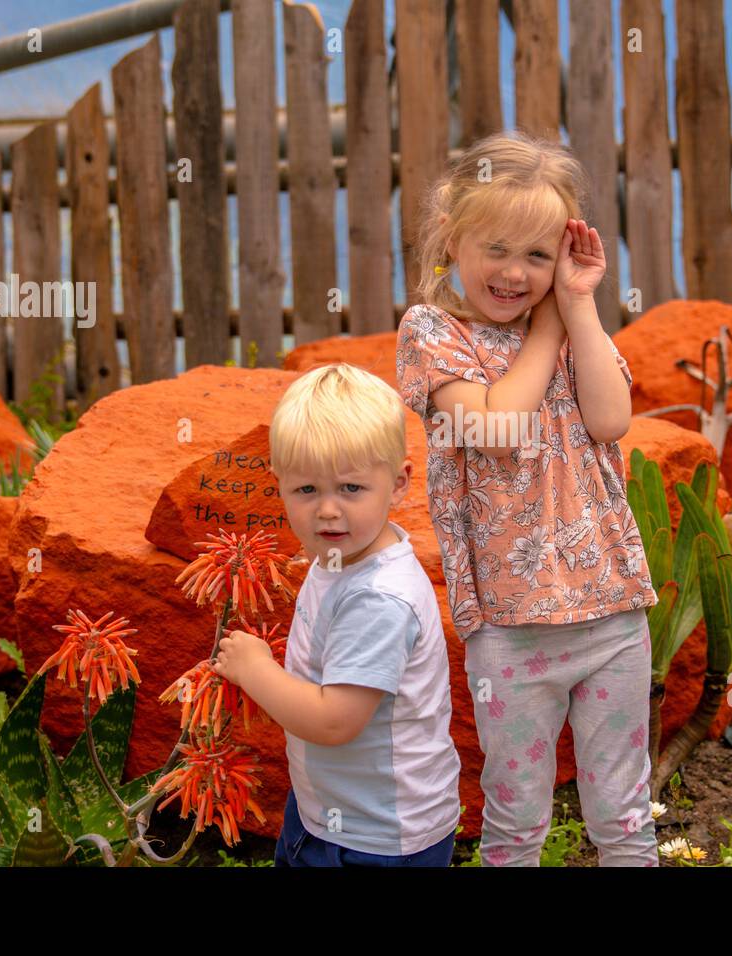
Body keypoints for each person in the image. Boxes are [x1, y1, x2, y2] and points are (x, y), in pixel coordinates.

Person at [395, 129, 660, 866]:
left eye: (538, 256)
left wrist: (576, 308)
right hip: (510, 630)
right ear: (453, 240)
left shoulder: (573, 325)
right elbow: (500, 429)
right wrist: (547, 333)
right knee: (514, 823)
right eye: (498, 249)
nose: (516, 273)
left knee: (625, 815)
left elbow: (611, 420)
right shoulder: (433, 332)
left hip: (611, 611)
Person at [214, 363, 461, 866]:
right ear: (279, 486)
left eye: (350, 489)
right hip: (331, 809)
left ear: (398, 484)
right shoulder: (343, 552)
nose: (327, 510)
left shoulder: (379, 599)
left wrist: (255, 669)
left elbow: (333, 722)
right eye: (307, 491)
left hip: (375, 837)